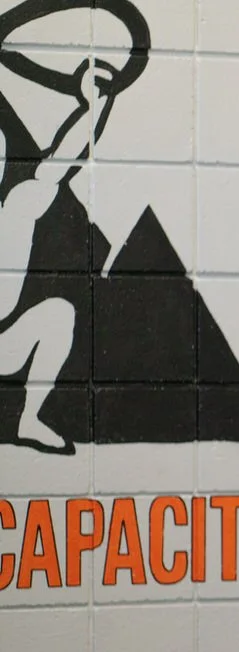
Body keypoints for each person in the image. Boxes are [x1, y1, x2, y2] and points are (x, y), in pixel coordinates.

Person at [0, 59, 117, 456]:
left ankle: (29, 419)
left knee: (58, 315)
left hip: (3, 343)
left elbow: (57, 165)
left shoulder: (17, 207)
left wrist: (94, 106)